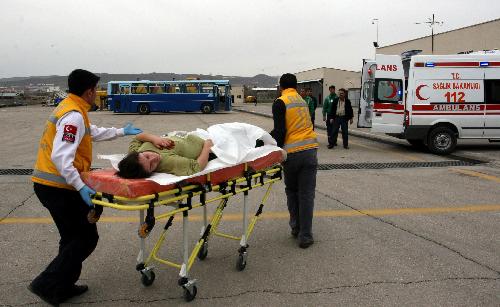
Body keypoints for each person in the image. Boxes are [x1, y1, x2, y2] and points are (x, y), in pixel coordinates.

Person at [30, 69, 143, 305]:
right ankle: (46, 283)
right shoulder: (73, 115)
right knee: (85, 238)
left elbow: (92, 133)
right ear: (89, 91)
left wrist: (122, 131)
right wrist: (81, 186)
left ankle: (62, 286)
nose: (96, 93)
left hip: (52, 185)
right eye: (95, 89)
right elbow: (62, 157)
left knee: (71, 238)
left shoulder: (73, 108)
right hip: (57, 187)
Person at [270, 73, 318, 249]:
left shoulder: (280, 102)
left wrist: (264, 144)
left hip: (293, 155)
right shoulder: (302, 101)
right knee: (306, 195)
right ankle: (306, 236)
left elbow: (280, 132)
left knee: (292, 191)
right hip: (310, 151)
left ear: (281, 86)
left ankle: (296, 228)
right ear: (296, 86)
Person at [117, 132, 214, 178]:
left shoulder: (135, 153)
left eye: (147, 156)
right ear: (150, 172)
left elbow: (137, 138)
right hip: (206, 143)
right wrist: (207, 147)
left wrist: (153, 138)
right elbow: (197, 167)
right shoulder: (168, 163)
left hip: (184, 135)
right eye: (151, 166)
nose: (154, 158)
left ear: (138, 153)